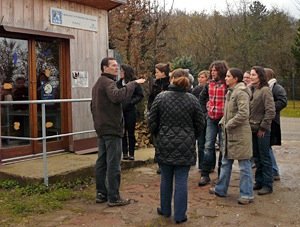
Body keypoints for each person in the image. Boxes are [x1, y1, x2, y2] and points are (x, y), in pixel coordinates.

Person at [148, 68, 204, 224]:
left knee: (165, 178)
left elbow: (152, 121)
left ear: (172, 79)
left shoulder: (160, 98)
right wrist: (191, 136)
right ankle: (180, 215)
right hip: (185, 145)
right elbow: (200, 123)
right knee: (181, 180)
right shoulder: (192, 100)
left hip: (164, 143)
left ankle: (165, 210)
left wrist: (158, 135)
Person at [91, 57, 145, 207]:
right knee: (113, 164)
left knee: (101, 162)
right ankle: (114, 197)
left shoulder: (98, 84)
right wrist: (132, 84)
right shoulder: (107, 83)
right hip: (111, 129)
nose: (116, 68)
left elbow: (92, 106)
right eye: (113, 66)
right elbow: (117, 97)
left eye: (117, 65)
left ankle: (101, 194)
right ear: (104, 68)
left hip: (102, 128)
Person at [209, 68, 254, 205]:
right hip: (229, 135)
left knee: (244, 165)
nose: (226, 78)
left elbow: (243, 114)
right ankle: (221, 189)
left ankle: (246, 194)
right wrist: (223, 122)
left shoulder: (241, 93)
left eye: (228, 76)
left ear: (235, 78)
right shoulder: (231, 92)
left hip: (240, 135)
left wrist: (228, 124)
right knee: (225, 162)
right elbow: (228, 112)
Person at [198, 60, 228, 186]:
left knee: (223, 146)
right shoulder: (209, 84)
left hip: (223, 120)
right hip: (211, 117)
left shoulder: (227, 84)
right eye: (212, 70)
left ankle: (222, 174)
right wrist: (205, 112)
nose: (213, 72)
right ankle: (205, 174)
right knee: (208, 145)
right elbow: (202, 98)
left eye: (215, 70)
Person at [249, 66, 275, 195]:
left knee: (264, 157)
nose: (251, 77)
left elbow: (270, 111)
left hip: (262, 130)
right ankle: (259, 181)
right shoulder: (252, 89)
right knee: (256, 157)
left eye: (253, 75)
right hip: (252, 129)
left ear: (260, 76)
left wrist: (263, 127)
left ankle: (267, 184)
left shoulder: (265, 90)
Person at [116, 64, 144, 161]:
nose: (120, 73)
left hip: (131, 110)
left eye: (122, 71)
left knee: (131, 133)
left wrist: (131, 102)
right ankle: (124, 153)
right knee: (122, 132)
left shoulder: (134, 83)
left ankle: (131, 153)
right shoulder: (118, 83)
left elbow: (140, 95)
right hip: (121, 110)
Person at [265, 68, 287, 181]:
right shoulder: (267, 87)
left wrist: (269, 106)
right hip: (268, 120)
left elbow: (283, 102)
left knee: (267, 147)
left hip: (272, 121)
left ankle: (274, 171)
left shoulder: (277, 88)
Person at [147, 63, 170, 174]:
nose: (155, 74)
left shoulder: (170, 84)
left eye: (157, 72)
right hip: (156, 115)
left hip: (167, 115)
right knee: (157, 140)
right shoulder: (155, 84)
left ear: (163, 73)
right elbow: (150, 99)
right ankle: (160, 163)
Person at [191, 70, 210, 170]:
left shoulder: (210, 88)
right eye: (199, 77)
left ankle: (209, 164)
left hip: (209, 116)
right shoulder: (196, 89)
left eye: (202, 77)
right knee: (201, 143)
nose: (200, 79)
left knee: (209, 143)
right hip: (199, 117)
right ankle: (202, 164)